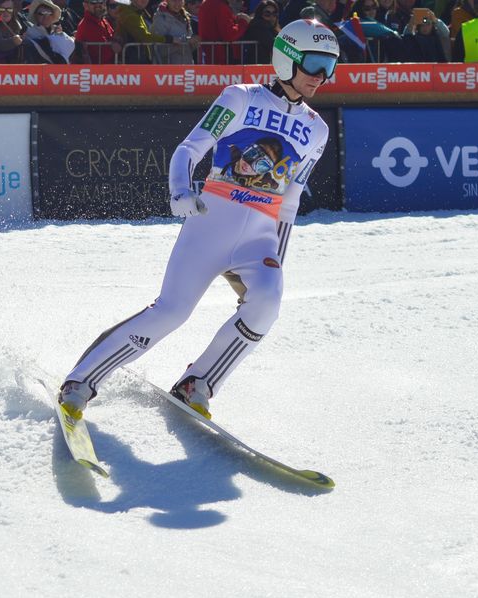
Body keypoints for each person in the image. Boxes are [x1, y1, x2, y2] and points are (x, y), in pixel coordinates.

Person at [57, 18, 337, 421]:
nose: (322, 77)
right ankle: (80, 381)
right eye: (314, 64)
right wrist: (180, 192)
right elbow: (189, 149)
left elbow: (290, 199)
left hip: (260, 236)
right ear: (286, 59)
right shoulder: (241, 97)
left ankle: (198, 385)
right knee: (171, 312)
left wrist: (278, 256)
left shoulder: (318, 130)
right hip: (211, 223)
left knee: (268, 302)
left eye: (330, 67)